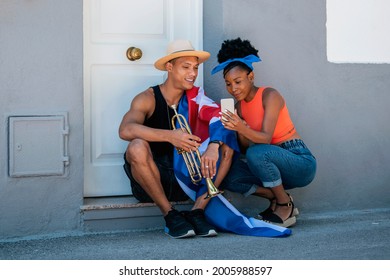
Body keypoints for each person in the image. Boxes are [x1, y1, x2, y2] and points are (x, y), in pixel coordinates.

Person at [118, 39, 235, 239]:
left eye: (196, 68)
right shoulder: (147, 98)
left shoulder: (197, 98)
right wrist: (171, 136)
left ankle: (197, 211)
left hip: (190, 181)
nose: (193, 73)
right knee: (136, 146)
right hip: (154, 181)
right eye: (186, 67)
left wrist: (214, 146)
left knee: (227, 143)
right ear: (170, 67)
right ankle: (170, 215)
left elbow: (222, 117)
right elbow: (125, 130)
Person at [212, 38, 317, 228]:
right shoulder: (239, 107)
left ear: (250, 77)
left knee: (257, 152)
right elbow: (244, 148)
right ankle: (277, 198)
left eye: (237, 81)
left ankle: (285, 205)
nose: (233, 89)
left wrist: (242, 128)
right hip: (268, 163)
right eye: (228, 84)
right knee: (229, 174)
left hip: (298, 160)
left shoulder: (270, 95)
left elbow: (266, 138)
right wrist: (238, 127)